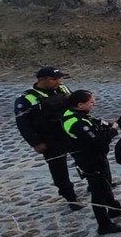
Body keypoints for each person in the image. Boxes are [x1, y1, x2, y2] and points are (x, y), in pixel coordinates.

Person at [62, 90, 121, 235]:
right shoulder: (76, 123)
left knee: (106, 184)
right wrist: (114, 131)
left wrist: (112, 125)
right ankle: (104, 224)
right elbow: (97, 142)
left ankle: (114, 209)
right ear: (80, 105)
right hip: (90, 160)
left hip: (97, 157)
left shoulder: (78, 115)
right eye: (91, 102)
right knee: (98, 192)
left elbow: (98, 124)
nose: (94, 104)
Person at [13, 66, 81, 210]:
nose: (58, 82)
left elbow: (76, 104)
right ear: (41, 80)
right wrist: (35, 143)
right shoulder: (27, 99)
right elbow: (23, 124)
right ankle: (70, 197)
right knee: (59, 169)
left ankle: (94, 183)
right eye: (54, 79)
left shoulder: (62, 89)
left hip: (69, 131)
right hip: (50, 138)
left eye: (59, 79)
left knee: (85, 158)